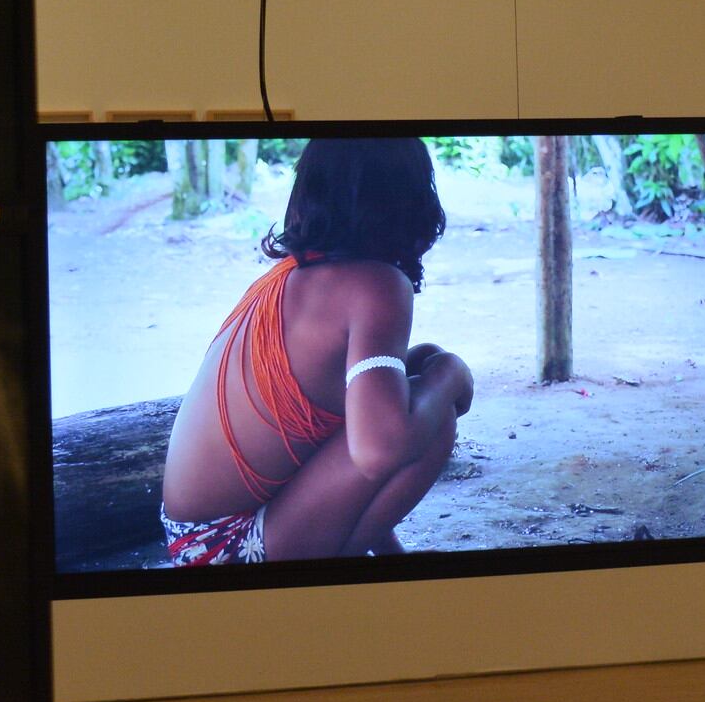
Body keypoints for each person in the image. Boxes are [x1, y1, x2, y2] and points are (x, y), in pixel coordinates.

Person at [158, 138, 473, 565]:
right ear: (411, 199)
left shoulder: (289, 274)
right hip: (227, 550)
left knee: (414, 370)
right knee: (434, 407)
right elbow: (378, 451)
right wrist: (453, 374)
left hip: (191, 539)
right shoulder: (376, 285)